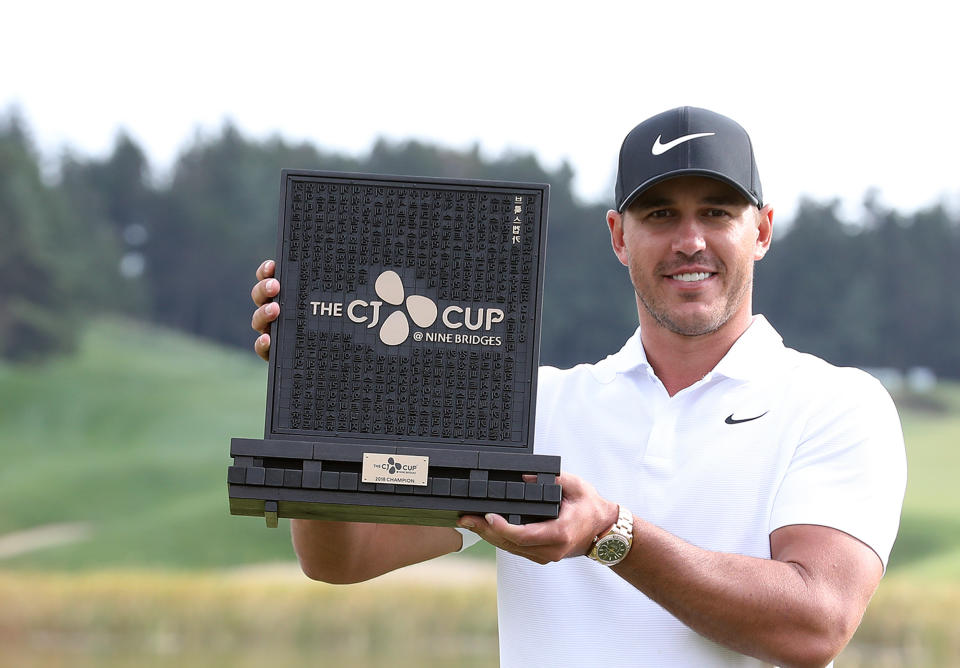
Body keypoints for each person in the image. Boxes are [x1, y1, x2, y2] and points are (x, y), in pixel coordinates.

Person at [249, 107, 906, 667]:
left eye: (716, 211)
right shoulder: (535, 405)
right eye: (658, 214)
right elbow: (344, 556)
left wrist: (611, 535)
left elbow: (815, 623)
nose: (689, 240)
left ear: (760, 229)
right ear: (620, 237)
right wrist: (319, 385)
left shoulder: (838, 406)